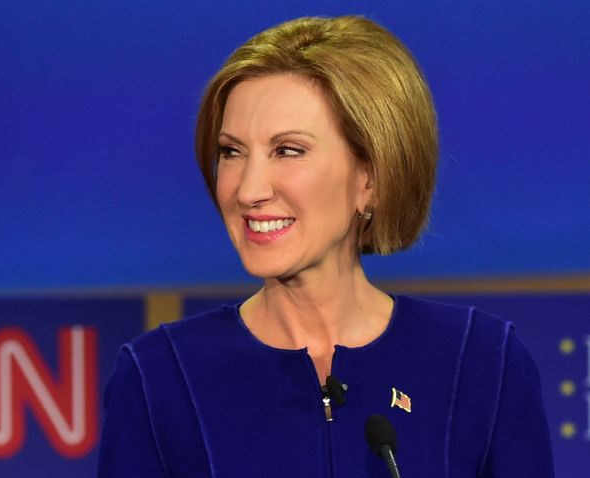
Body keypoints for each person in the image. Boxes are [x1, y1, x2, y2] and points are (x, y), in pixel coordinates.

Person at [97, 15, 554, 477]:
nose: (248, 189)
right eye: (232, 152)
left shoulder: (480, 363)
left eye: (288, 150)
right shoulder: (159, 379)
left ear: (370, 178)